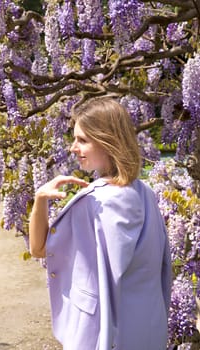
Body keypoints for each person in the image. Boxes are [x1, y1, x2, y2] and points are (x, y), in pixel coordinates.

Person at [29, 97, 172, 350]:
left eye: (83, 140)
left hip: (104, 335)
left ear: (108, 142)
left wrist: (40, 198)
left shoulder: (92, 203)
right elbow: (162, 271)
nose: (73, 148)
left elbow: (39, 249)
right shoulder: (146, 193)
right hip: (149, 327)